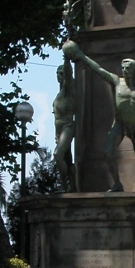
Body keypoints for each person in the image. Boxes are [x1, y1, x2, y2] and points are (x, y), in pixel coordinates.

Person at [62, 39, 135, 191]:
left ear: (134, 70)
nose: (124, 70)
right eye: (123, 67)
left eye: (128, 67)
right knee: (108, 153)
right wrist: (82, 56)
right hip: (119, 124)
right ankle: (117, 184)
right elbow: (99, 70)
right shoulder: (116, 81)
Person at [53, 57, 77, 192]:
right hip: (59, 129)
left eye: (61, 73)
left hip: (68, 125)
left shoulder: (70, 88)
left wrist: (67, 58)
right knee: (67, 160)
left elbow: (68, 73)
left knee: (58, 155)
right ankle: (70, 187)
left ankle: (65, 186)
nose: (59, 76)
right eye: (57, 73)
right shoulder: (59, 93)